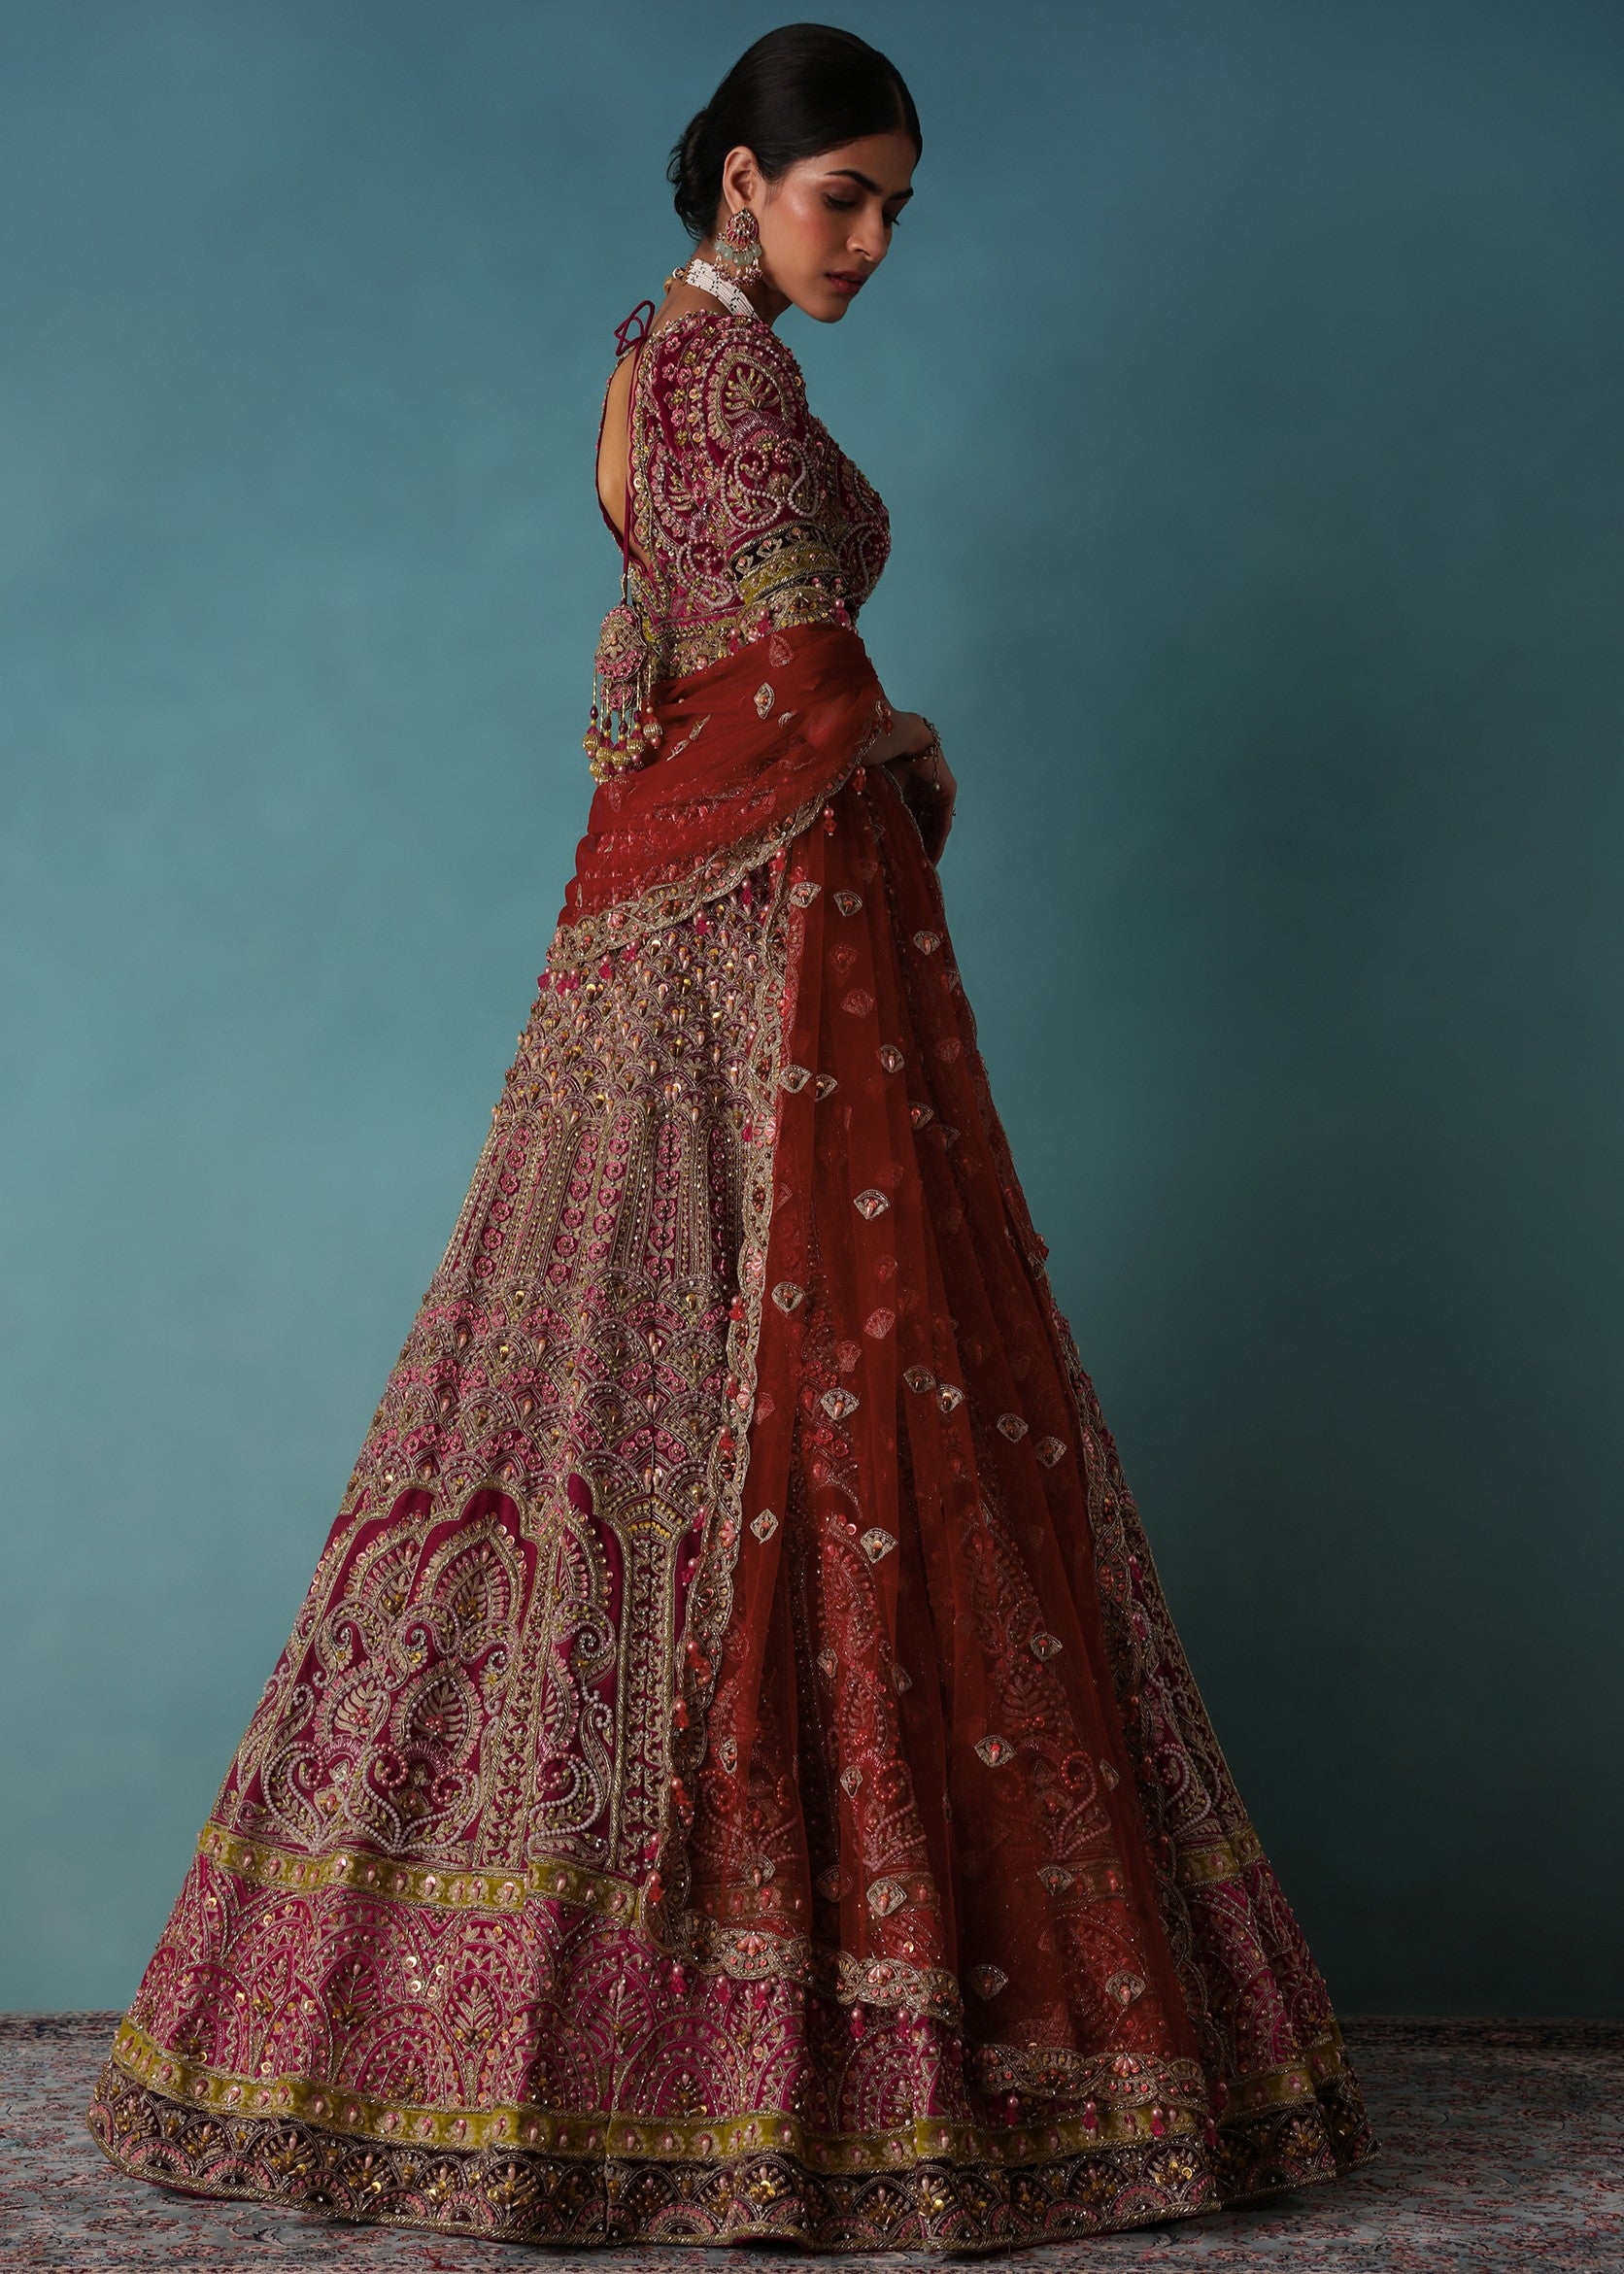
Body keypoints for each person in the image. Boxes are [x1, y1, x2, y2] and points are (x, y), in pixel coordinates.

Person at [88, 23, 1375, 2252]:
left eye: (892, 208)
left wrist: (850, 724)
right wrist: (901, 735)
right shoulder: (728, 379)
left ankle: (547, 2014)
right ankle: (730, 2035)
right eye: (838, 196)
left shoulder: (645, 361)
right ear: (740, 186)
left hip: (669, 927)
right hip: (750, 947)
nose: (868, 240)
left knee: (652, 1404)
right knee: (778, 1398)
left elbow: (692, 646)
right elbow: (781, 672)